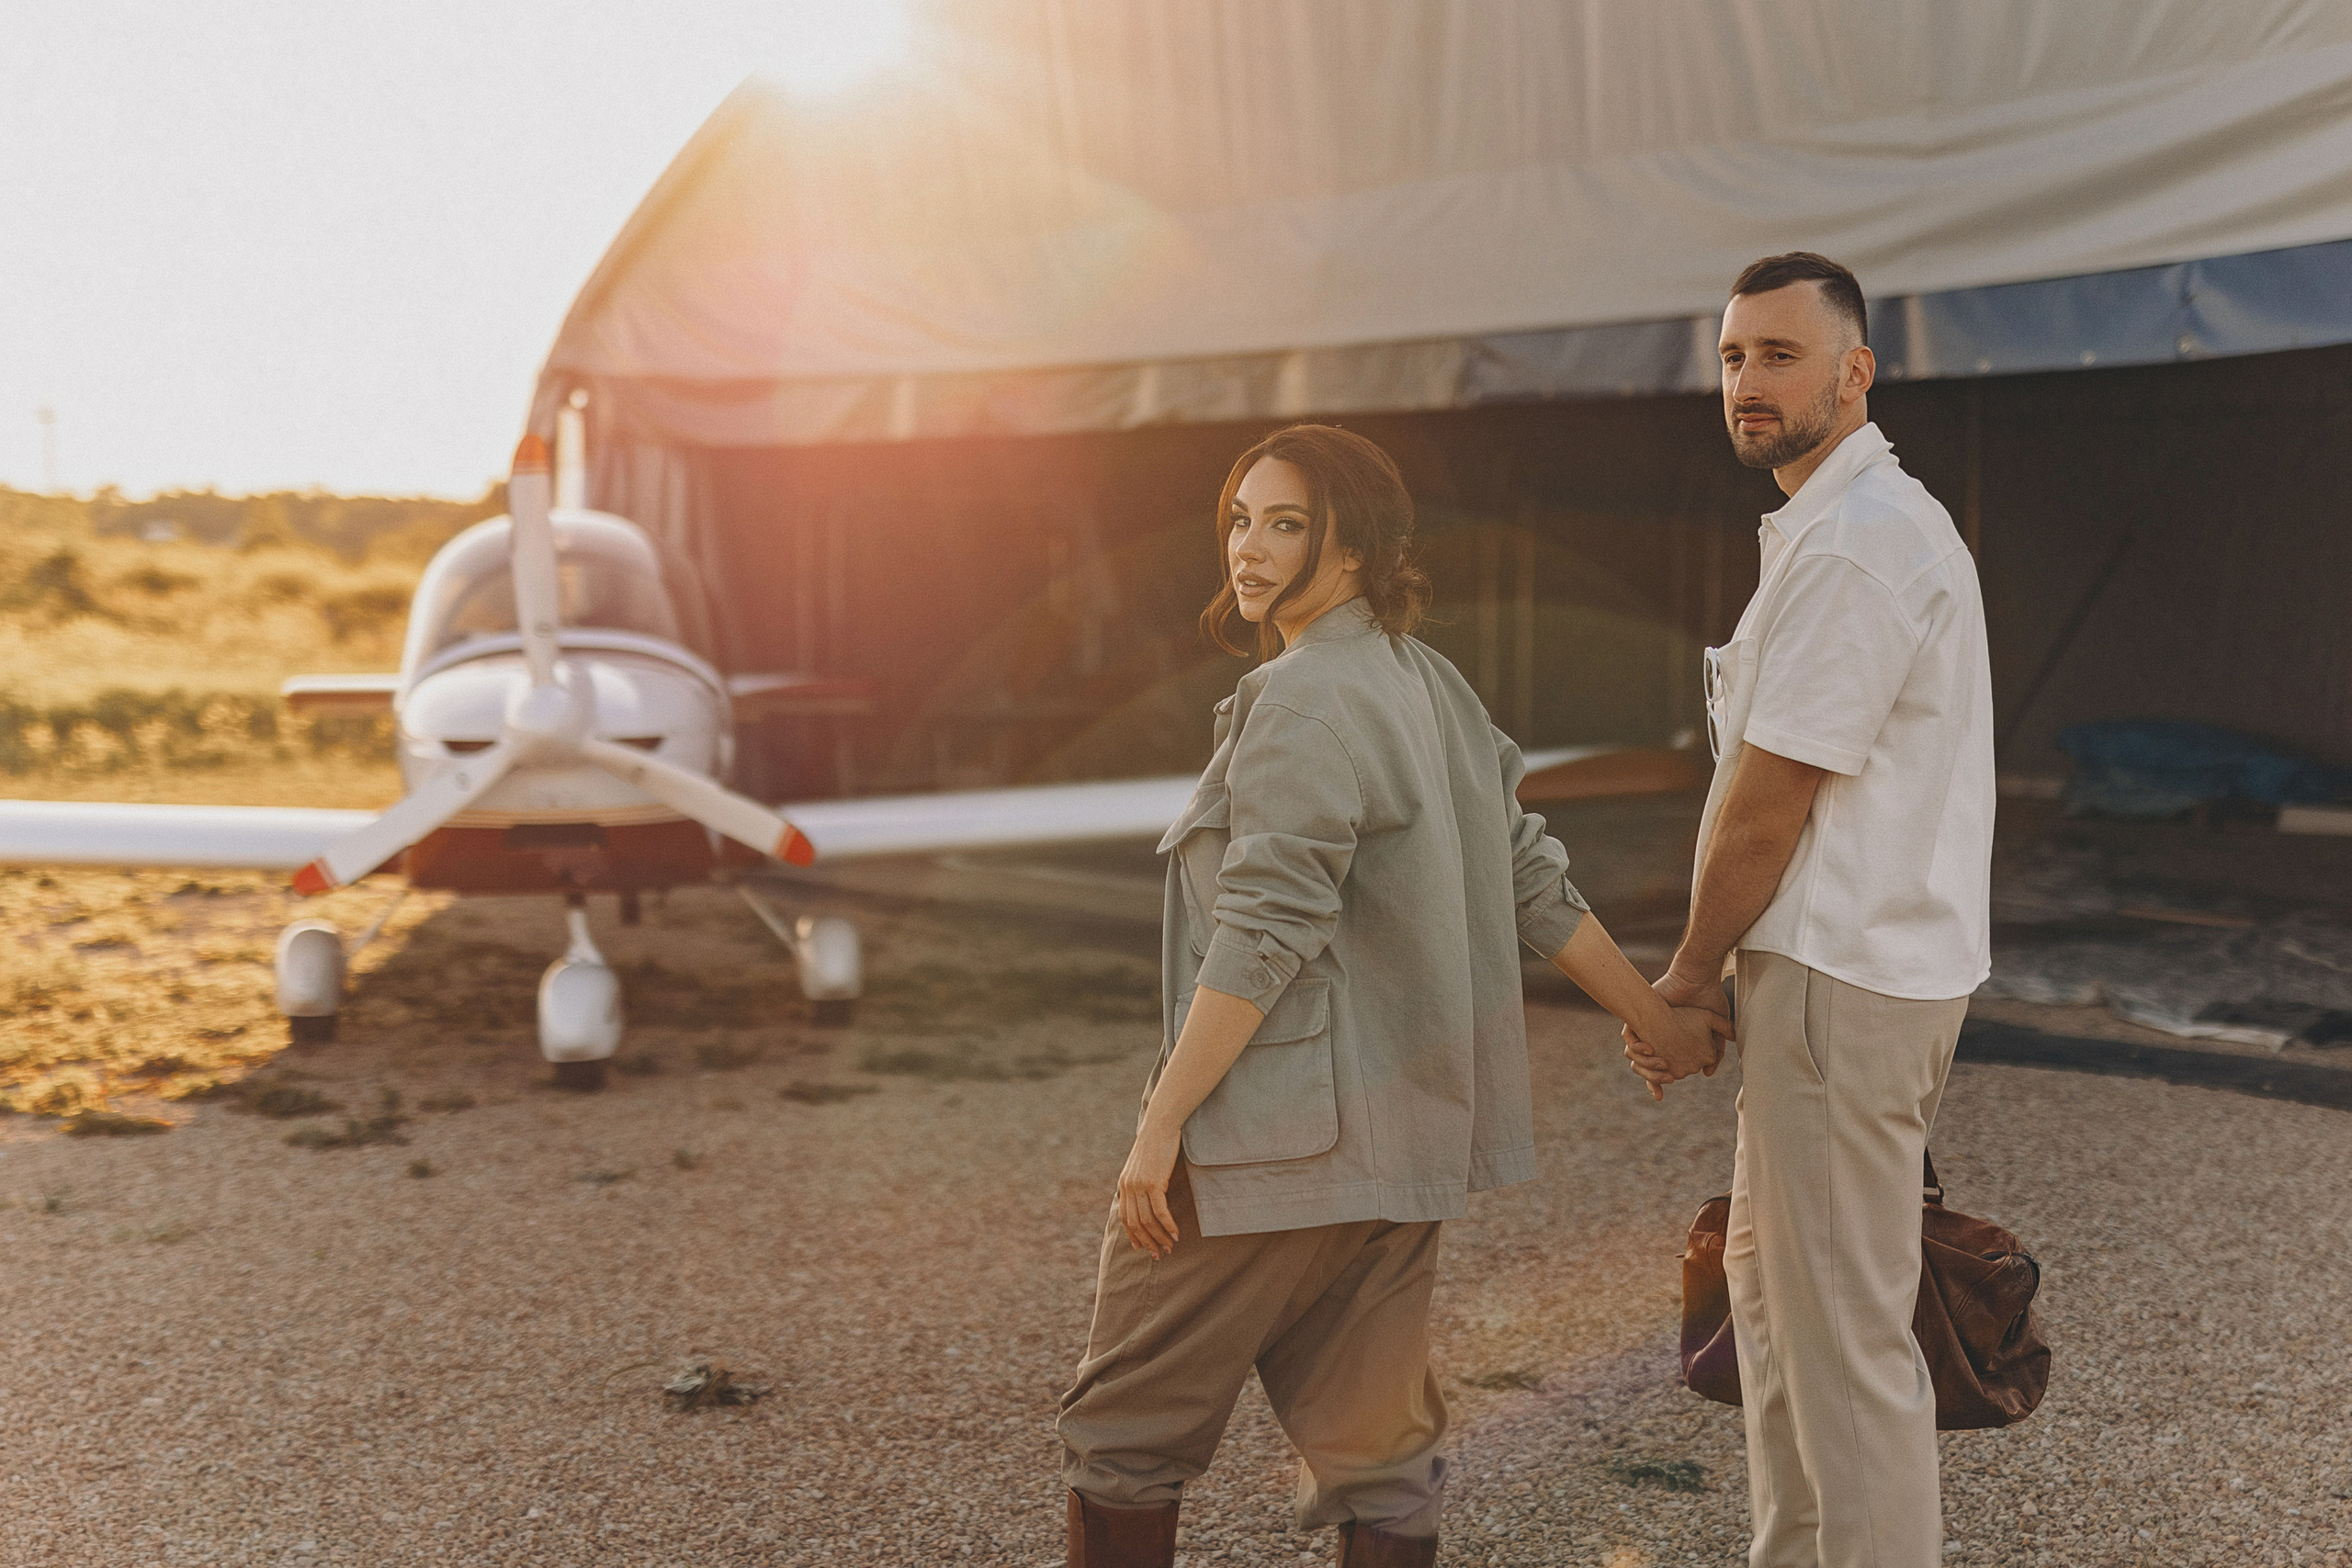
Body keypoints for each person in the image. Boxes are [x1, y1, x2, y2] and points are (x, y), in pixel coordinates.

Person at [1057, 423, 1729, 1568]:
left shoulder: (1304, 700)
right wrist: (1652, 1015)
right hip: (1394, 1142)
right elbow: (1531, 876)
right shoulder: (1431, 685)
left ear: (1359, 551)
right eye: (1239, 520)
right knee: (1378, 1455)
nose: (1250, 550)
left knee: (1121, 1435)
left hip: (1271, 1145)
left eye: (1287, 525)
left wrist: (1161, 1123)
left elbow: (1264, 929)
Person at [1626, 253, 1995, 1568]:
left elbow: (1769, 799)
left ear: (1856, 371)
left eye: (1781, 355)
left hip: (1843, 981)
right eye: (1732, 357)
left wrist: (1685, 973)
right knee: (1777, 1321)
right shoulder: (1835, 528)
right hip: (1826, 976)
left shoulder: (1858, 542)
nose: (1748, 380)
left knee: (1842, 1350)